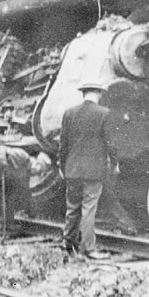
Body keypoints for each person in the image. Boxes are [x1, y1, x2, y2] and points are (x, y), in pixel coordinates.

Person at [58, 81, 112, 260]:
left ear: (83, 93)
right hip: (93, 171)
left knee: (72, 208)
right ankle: (87, 248)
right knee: (88, 209)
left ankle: (68, 244)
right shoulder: (104, 113)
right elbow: (109, 143)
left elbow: (63, 145)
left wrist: (62, 167)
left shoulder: (69, 113)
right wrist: (115, 163)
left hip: (72, 169)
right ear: (99, 94)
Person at [0, 143, 33, 242]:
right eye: (38, 169)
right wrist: (2, 160)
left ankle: (1, 228)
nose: (36, 172)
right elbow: (1, 148)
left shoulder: (22, 168)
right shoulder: (23, 156)